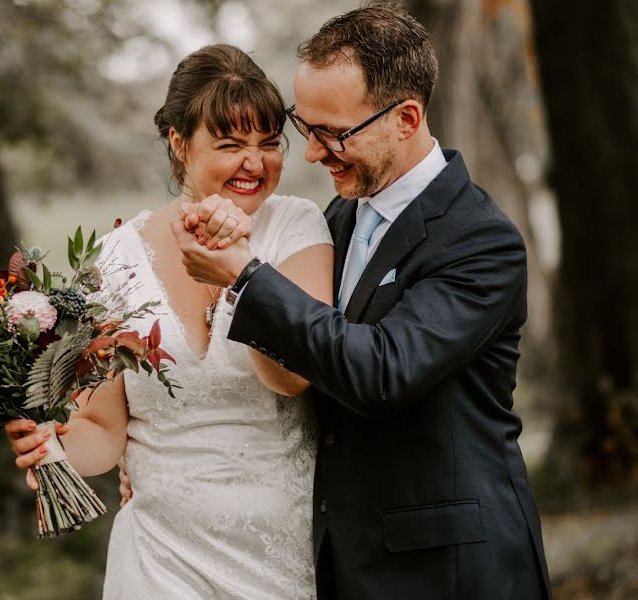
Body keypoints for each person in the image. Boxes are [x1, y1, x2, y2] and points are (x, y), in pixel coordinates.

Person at [169, 4, 552, 599]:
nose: (314, 154)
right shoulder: (340, 217)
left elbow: (381, 370)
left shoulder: (481, 241)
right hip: (349, 560)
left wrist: (247, 277)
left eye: (334, 133)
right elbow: (311, 368)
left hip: (450, 569)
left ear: (406, 118)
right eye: (306, 126)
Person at [6, 44, 334, 599]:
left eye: (268, 143)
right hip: (159, 557)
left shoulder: (298, 229)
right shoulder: (115, 257)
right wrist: (54, 447)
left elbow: (292, 377)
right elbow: (104, 431)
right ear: (179, 144)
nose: (255, 164)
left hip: (281, 551)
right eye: (230, 145)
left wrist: (242, 269)